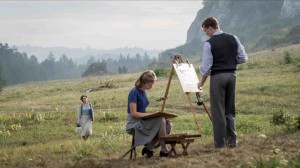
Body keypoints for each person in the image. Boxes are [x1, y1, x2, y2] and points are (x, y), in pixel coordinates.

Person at [198, 16, 248, 148]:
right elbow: (243, 58)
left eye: (205, 31)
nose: (206, 34)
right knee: (230, 109)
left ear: (210, 28)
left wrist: (201, 82)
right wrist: (229, 61)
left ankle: (220, 144)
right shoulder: (233, 38)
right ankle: (232, 141)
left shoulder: (209, 44)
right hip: (232, 75)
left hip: (218, 77)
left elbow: (206, 67)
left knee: (218, 111)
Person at [125, 70, 172, 158]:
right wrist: (151, 115)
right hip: (134, 123)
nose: (152, 86)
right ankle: (164, 149)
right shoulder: (134, 92)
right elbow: (134, 113)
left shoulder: (143, 92)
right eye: (151, 84)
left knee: (167, 124)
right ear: (144, 82)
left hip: (142, 120)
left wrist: (152, 115)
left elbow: (142, 112)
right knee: (161, 119)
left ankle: (149, 148)